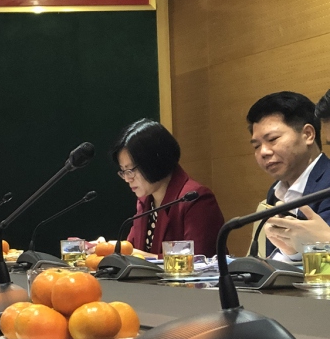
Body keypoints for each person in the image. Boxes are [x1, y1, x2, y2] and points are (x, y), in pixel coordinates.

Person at [110, 119, 225, 256]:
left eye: (131, 170)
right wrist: (108, 248)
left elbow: (197, 261)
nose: (127, 178)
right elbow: (131, 251)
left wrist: (137, 256)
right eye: (123, 171)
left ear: (154, 162)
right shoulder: (145, 201)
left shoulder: (195, 199)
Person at [247, 91, 330, 261]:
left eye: (272, 139)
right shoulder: (275, 192)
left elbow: (323, 261)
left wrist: (323, 244)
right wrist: (291, 253)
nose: (263, 152)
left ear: (308, 134)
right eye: (256, 146)